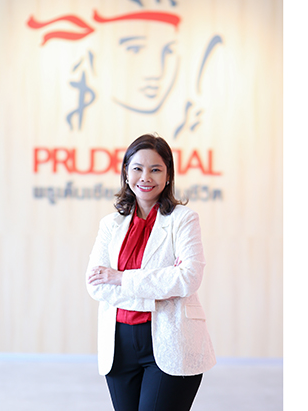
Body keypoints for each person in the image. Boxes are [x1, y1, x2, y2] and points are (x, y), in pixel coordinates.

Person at [86, 133, 216, 411]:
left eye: (156, 169)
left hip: (171, 341)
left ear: (168, 175)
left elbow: (188, 278)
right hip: (119, 347)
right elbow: (96, 284)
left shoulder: (184, 220)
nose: (145, 177)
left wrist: (121, 278)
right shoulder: (110, 224)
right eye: (138, 168)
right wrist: (161, 287)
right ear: (126, 172)